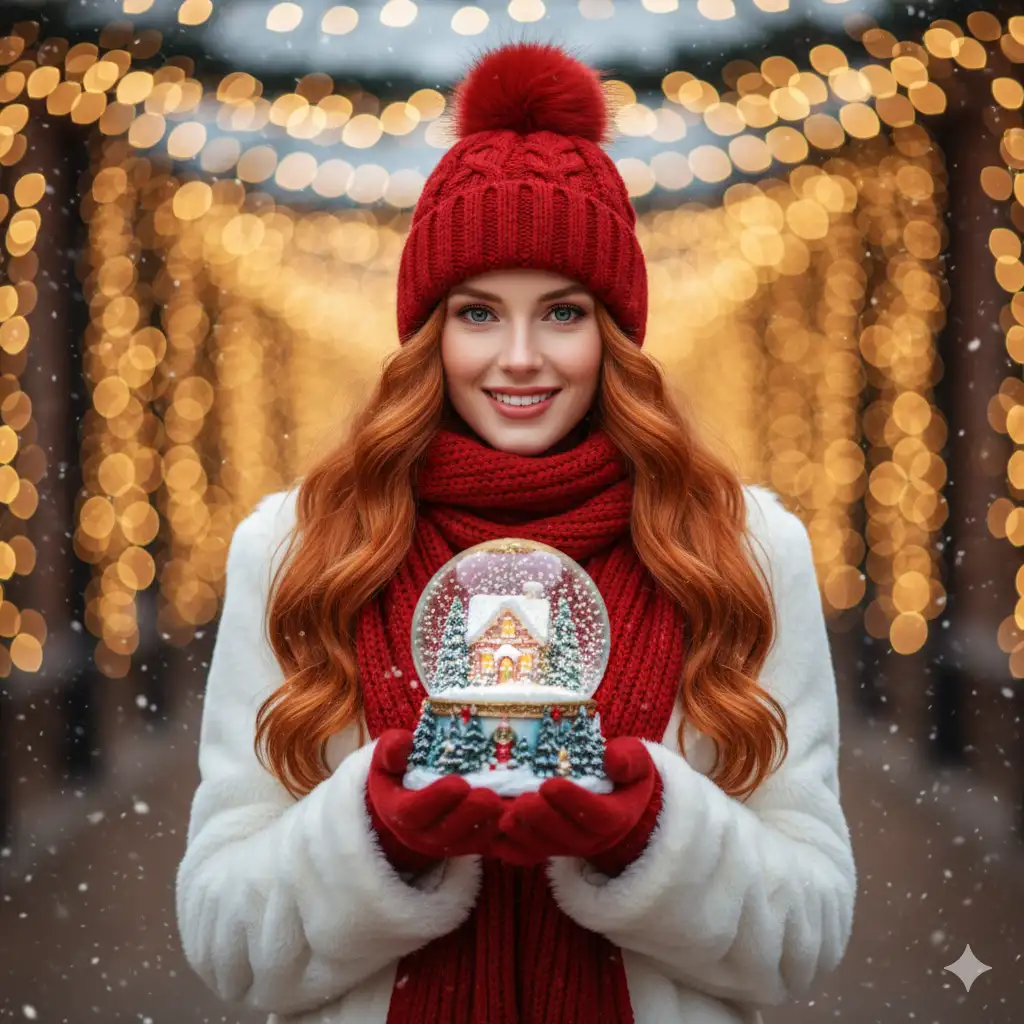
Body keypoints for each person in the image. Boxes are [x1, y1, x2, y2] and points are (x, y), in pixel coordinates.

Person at [175, 42, 856, 1024]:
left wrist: (655, 835)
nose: (521, 357)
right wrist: (373, 835)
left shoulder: (738, 552)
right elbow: (226, 941)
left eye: (563, 312)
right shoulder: (302, 550)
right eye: (480, 312)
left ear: (613, 333)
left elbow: (807, 934)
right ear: (429, 333)